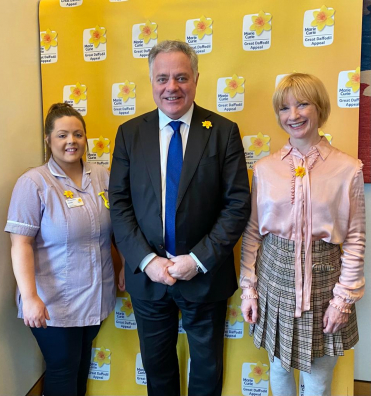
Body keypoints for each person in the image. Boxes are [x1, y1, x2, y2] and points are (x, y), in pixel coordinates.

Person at [109, 40, 251, 396]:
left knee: (206, 371)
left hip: (204, 277)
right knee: (157, 370)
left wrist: (198, 260)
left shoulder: (222, 131)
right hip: (149, 279)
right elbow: (120, 203)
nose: (171, 87)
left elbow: (236, 205)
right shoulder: (129, 134)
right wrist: (146, 261)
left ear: (197, 79)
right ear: (151, 81)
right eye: (162, 78)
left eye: (181, 77)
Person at [240, 73, 366, 396]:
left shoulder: (348, 169)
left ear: (319, 107)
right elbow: (253, 233)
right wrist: (249, 290)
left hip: (325, 283)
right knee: (279, 369)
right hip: (274, 279)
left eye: (302, 104)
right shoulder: (266, 168)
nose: (293, 115)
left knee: (319, 376)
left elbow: (354, 239)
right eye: (284, 108)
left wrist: (343, 301)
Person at [5, 103, 118, 396]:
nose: (71, 141)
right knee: (62, 370)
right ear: (48, 139)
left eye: (78, 134)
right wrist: (29, 297)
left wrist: (123, 269)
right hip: (52, 303)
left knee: (80, 368)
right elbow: (21, 244)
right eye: (63, 135)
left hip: (95, 296)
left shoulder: (102, 176)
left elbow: (115, 231)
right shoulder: (33, 183)